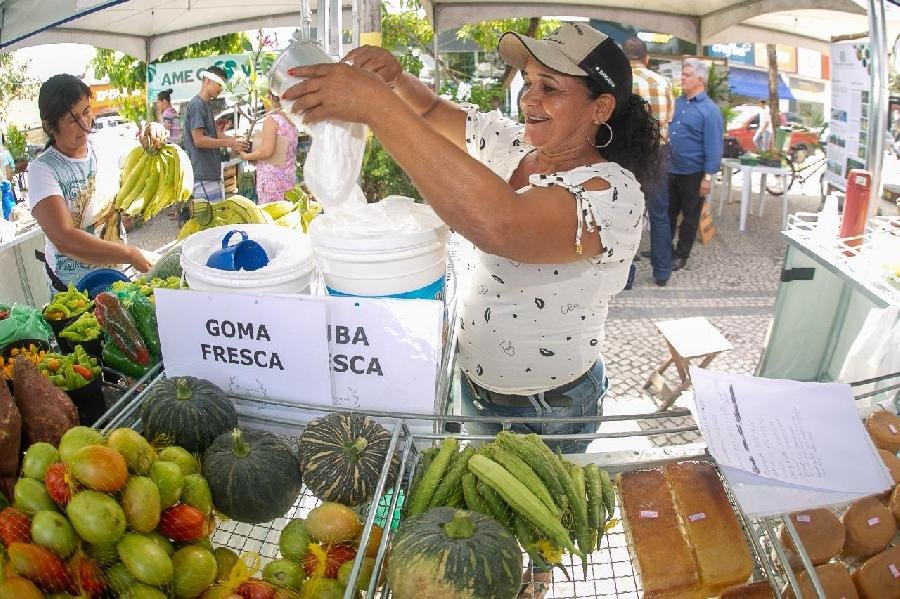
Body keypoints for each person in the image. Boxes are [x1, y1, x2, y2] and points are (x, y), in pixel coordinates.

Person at [26, 74, 154, 292]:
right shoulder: (42, 170)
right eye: (72, 119)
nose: (84, 124)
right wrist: (130, 254)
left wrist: (152, 133)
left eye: (86, 111)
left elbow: (141, 153)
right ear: (49, 126)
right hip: (76, 291)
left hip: (119, 275)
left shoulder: (104, 146)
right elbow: (64, 238)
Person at [623, 36, 674, 287]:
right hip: (657, 152)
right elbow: (669, 117)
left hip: (627, 154)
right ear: (647, 58)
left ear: (624, 58)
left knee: (625, 213)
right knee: (659, 213)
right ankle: (662, 272)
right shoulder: (663, 82)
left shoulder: (619, 82)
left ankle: (626, 277)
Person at [667, 58, 724, 272]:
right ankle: (664, 249)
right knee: (667, 213)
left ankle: (682, 254)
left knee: (690, 216)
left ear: (700, 79)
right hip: (669, 168)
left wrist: (707, 178)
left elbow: (714, 147)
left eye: (687, 75)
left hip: (693, 173)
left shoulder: (710, 111)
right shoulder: (677, 103)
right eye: (682, 74)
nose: (682, 78)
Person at [182, 66, 245, 203]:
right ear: (208, 81)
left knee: (217, 214)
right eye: (219, 84)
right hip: (203, 175)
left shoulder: (206, 105)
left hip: (211, 174)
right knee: (212, 216)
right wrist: (229, 142)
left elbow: (215, 134)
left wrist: (235, 140)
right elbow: (199, 140)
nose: (221, 89)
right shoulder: (197, 105)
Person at [239, 92, 299, 203]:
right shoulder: (290, 118)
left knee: (271, 213)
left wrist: (247, 156)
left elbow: (267, 151)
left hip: (272, 183)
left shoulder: (271, 119)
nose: (263, 103)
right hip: (288, 178)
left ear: (269, 98)